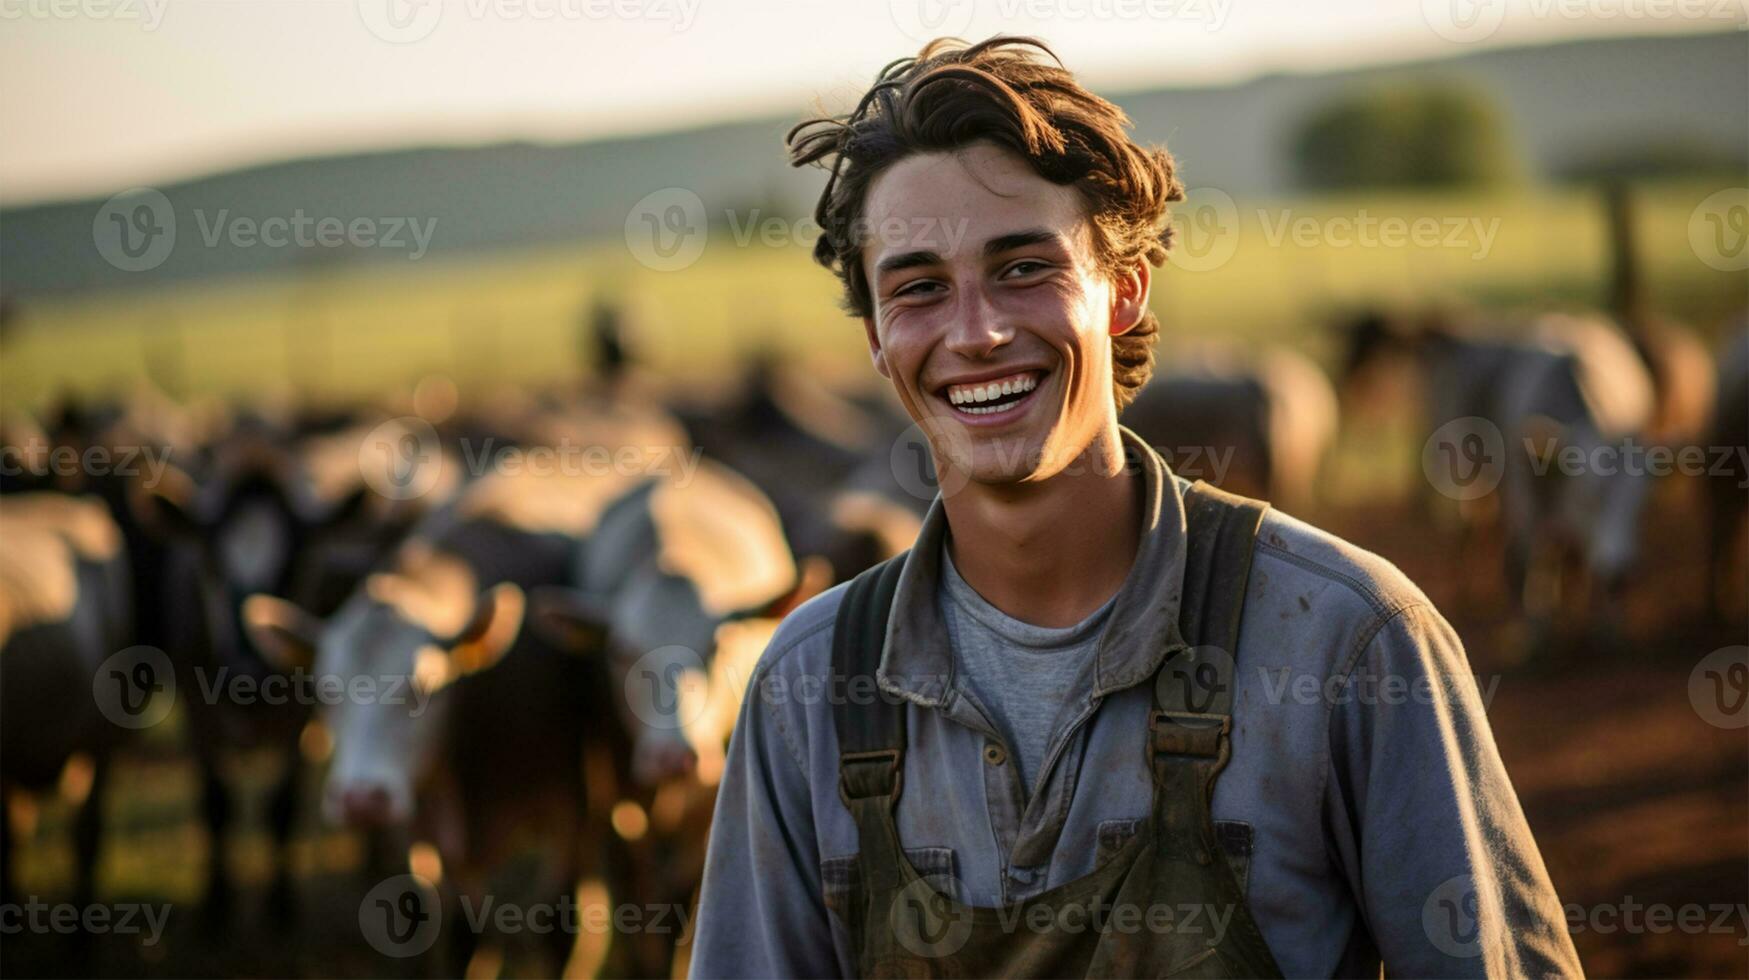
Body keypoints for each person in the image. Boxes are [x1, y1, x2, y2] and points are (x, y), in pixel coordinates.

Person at [689, 36, 1581, 978]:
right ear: (876, 338)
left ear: (1122, 289)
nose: (977, 332)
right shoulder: (806, 688)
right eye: (917, 289)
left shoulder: (1345, 638)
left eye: (1024, 267)